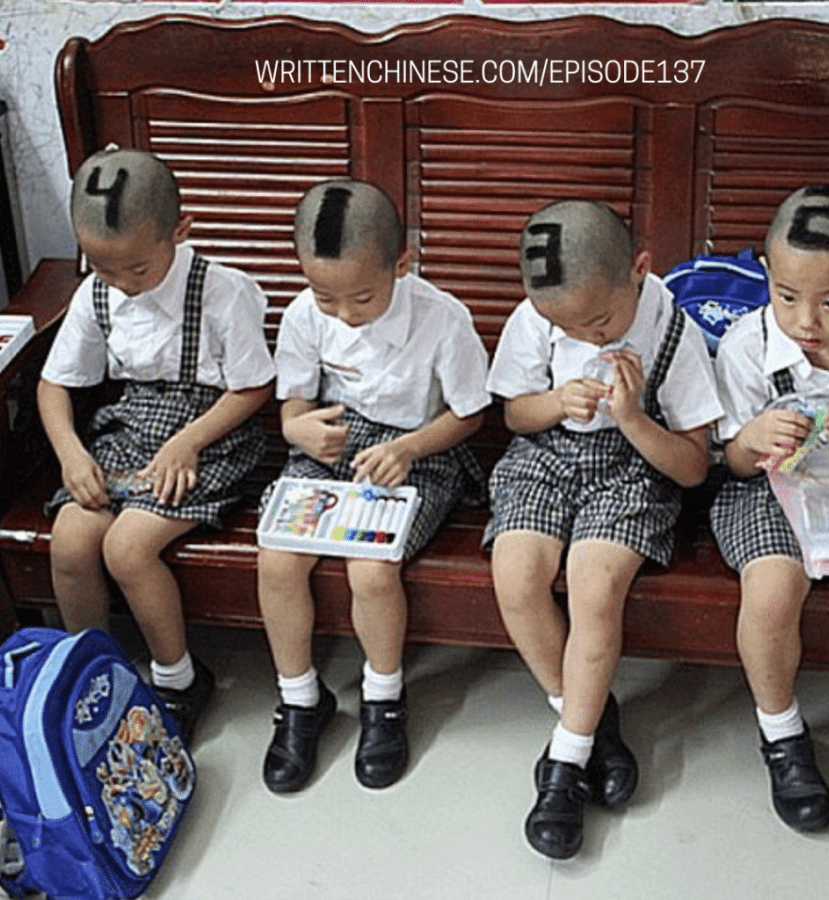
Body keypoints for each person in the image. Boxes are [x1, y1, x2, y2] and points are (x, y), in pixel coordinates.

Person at [483, 199, 723, 859]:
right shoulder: (539, 316)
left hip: (634, 470)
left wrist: (634, 418)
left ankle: (564, 763)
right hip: (545, 457)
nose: (588, 339)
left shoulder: (672, 331)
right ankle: (590, 720)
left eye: (599, 323)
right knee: (516, 575)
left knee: (593, 587)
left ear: (639, 270)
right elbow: (516, 417)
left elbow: (693, 466)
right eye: (567, 328)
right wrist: (555, 402)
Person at [257, 179, 490, 793]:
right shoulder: (305, 315)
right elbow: (294, 405)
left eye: (361, 297)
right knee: (277, 558)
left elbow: (469, 413)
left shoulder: (443, 319)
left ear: (402, 263)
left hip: (419, 451)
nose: (344, 313)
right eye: (325, 296)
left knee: (371, 567)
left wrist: (407, 449)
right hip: (331, 444)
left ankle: (383, 697)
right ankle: (300, 698)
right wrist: (299, 429)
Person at [38, 148, 275, 746]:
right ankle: (96, 675)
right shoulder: (96, 294)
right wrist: (71, 454)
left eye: (138, 269)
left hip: (210, 431)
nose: (122, 284)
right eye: (103, 268)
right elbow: (53, 385)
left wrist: (187, 442)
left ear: (181, 229)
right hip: (131, 426)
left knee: (127, 547)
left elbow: (254, 386)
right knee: (71, 539)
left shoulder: (221, 292)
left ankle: (179, 678)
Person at [711, 184, 829, 866]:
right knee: (769, 595)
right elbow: (730, 461)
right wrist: (752, 439)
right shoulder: (748, 345)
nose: (806, 321)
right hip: (769, 487)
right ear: (766, 273)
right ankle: (783, 734)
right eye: (787, 296)